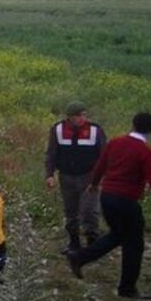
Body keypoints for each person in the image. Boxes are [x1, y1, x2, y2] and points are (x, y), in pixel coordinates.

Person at [67, 113, 151, 300]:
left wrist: (95, 183)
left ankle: (80, 257)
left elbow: (101, 165)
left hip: (107, 197)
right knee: (134, 244)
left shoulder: (115, 143)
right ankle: (127, 289)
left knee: (118, 234)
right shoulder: (147, 153)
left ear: (133, 124)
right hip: (126, 201)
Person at [45, 101, 106, 253]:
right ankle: (74, 243)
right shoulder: (57, 129)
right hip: (66, 177)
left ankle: (93, 244)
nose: (81, 118)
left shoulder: (95, 130)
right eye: (78, 115)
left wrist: (102, 177)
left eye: (83, 114)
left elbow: (105, 155)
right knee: (70, 211)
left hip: (89, 177)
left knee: (89, 211)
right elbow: (51, 154)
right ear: (69, 117)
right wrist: (49, 174)